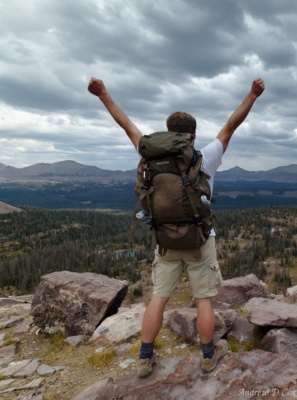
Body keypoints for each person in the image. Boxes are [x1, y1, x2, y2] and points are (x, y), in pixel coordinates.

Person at [88, 76, 265, 377]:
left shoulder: (150, 155)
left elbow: (126, 125)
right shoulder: (204, 157)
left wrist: (103, 94)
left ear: (169, 133)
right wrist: (252, 94)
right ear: (193, 136)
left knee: (159, 297)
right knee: (205, 300)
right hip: (200, 239)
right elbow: (230, 126)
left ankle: (145, 358)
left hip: (165, 240)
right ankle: (208, 356)